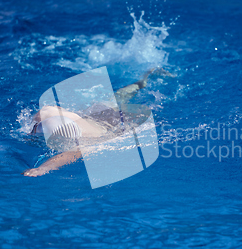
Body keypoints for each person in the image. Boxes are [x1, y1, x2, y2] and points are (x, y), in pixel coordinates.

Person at [23, 67, 171, 177]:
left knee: (128, 103)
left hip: (112, 122)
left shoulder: (86, 143)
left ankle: (145, 78)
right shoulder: (55, 116)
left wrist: (43, 168)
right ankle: (143, 79)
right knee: (119, 96)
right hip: (94, 116)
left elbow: (69, 156)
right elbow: (46, 112)